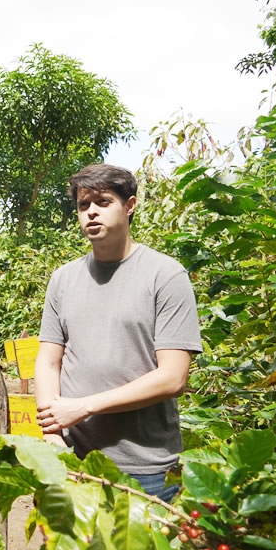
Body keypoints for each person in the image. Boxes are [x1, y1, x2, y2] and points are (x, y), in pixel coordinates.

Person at [34, 164, 202, 502]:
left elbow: (173, 378)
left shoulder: (165, 276)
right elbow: (48, 362)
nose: (92, 211)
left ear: (130, 205)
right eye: (84, 205)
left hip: (145, 470)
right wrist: (53, 434)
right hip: (71, 460)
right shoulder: (63, 280)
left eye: (103, 201)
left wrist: (83, 407)